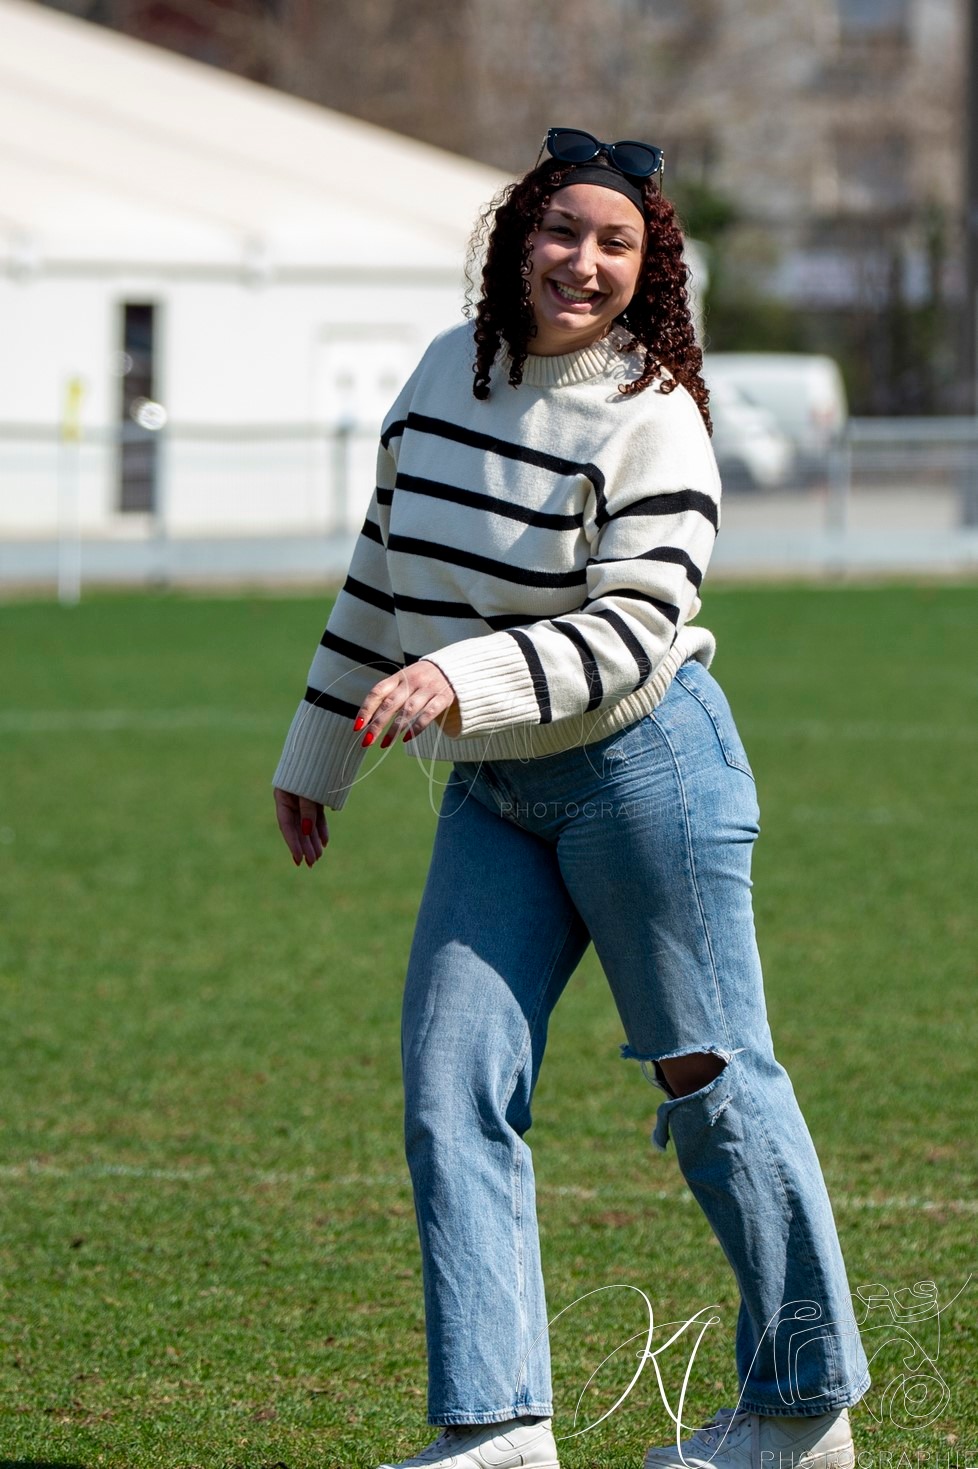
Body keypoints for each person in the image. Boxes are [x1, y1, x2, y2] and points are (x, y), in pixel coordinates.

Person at [272, 128, 869, 1469]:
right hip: (492, 786)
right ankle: (496, 1429)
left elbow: (638, 622)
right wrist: (319, 752)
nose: (582, 263)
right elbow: (384, 567)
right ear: (514, 239)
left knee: (710, 1079)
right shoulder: (442, 374)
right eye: (562, 233)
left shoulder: (654, 410)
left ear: (649, 267)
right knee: (449, 1087)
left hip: (643, 771)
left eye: (616, 244)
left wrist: (456, 677)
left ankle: (802, 1404)